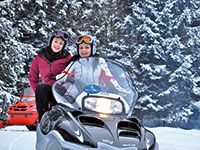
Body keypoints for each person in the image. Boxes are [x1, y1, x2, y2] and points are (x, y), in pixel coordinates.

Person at [56, 35, 127, 99]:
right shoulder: (74, 62)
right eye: (81, 48)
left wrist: (117, 88)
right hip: (74, 97)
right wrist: (62, 77)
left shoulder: (99, 62)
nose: (83, 50)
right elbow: (66, 72)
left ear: (92, 48)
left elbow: (108, 77)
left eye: (87, 47)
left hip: (95, 96)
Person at [28, 30, 72, 121]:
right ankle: (43, 120)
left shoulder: (67, 57)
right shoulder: (40, 57)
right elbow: (33, 77)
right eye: (55, 41)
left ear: (63, 46)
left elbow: (73, 74)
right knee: (41, 88)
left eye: (61, 43)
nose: (57, 45)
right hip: (48, 91)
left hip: (62, 91)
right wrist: (39, 94)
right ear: (51, 41)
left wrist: (66, 86)